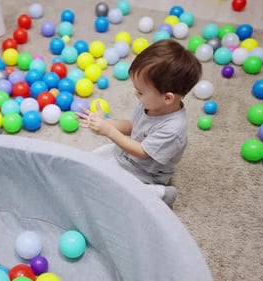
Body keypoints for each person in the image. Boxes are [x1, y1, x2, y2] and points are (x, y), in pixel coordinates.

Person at [76, 39, 202, 208]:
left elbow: (142, 152)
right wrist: (107, 123)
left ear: (167, 98)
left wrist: (109, 132)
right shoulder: (149, 103)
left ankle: (160, 193)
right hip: (124, 155)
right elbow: (132, 126)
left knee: (113, 193)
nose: (136, 94)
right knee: (89, 163)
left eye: (141, 91)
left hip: (145, 172)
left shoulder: (174, 129)